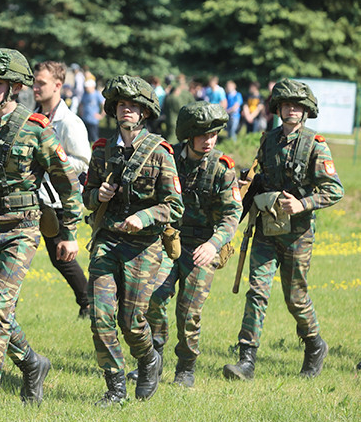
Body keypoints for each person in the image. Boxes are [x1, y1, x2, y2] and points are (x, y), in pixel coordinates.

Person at [0, 49, 83, 419]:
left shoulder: (35, 128)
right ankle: (32, 363)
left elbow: (67, 182)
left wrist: (69, 232)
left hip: (22, 228)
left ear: (15, 86)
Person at [223, 78, 343, 381]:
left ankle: (315, 345)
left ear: (305, 111)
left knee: (296, 298)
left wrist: (304, 203)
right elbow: (260, 179)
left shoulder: (316, 145)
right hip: (265, 229)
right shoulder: (268, 140)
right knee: (257, 293)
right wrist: (241, 197)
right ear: (278, 109)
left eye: (297, 105)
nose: (291, 109)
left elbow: (335, 189)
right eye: (285, 104)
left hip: (298, 234)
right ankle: (246, 359)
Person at [82, 75, 184, 405]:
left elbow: (175, 205)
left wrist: (144, 216)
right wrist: (99, 194)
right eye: (122, 105)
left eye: (134, 106)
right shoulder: (102, 150)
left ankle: (148, 359)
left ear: (144, 112)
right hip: (108, 241)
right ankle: (114, 387)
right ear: (114, 110)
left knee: (132, 321)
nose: (127, 110)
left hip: (144, 247)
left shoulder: (159, 152)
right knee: (100, 317)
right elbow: (87, 196)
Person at [129, 102, 241, 388]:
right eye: (203, 135)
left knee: (189, 310)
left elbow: (231, 216)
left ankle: (186, 366)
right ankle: (153, 359)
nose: (209, 141)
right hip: (168, 242)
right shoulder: (168, 159)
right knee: (153, 297)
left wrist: (214, 245)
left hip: (204, 247)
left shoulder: (222, 168)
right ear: (188, 135)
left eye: (214, 135)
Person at [32, 60, 92, 318]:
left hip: (55, 202)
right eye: (35, 82)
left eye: (41, 83)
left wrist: (52, 164)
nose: (35, 87)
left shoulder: (70, 123)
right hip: (31, 198)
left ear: (58, 85)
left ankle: (89, 303)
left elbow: (83, 161)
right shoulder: (32, 116)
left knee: (61, 258)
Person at [162, 75, 196, 143]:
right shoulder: (186, 94)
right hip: (180, 121)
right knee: (174, 140)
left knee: (171, 138)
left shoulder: (169, 96)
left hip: (170, 120)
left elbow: (164, 108)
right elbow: (194, 107)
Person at [79, 79, 105, 144]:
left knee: (94, 138)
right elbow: (81, 104)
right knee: (85, 137)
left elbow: (104, 105)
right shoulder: (85, 94)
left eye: (87, 87)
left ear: (93, 86)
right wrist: (81, 113)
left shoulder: (97, 94)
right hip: (85, 119)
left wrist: (101, 115)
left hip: (93, 120)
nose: (86, 88)